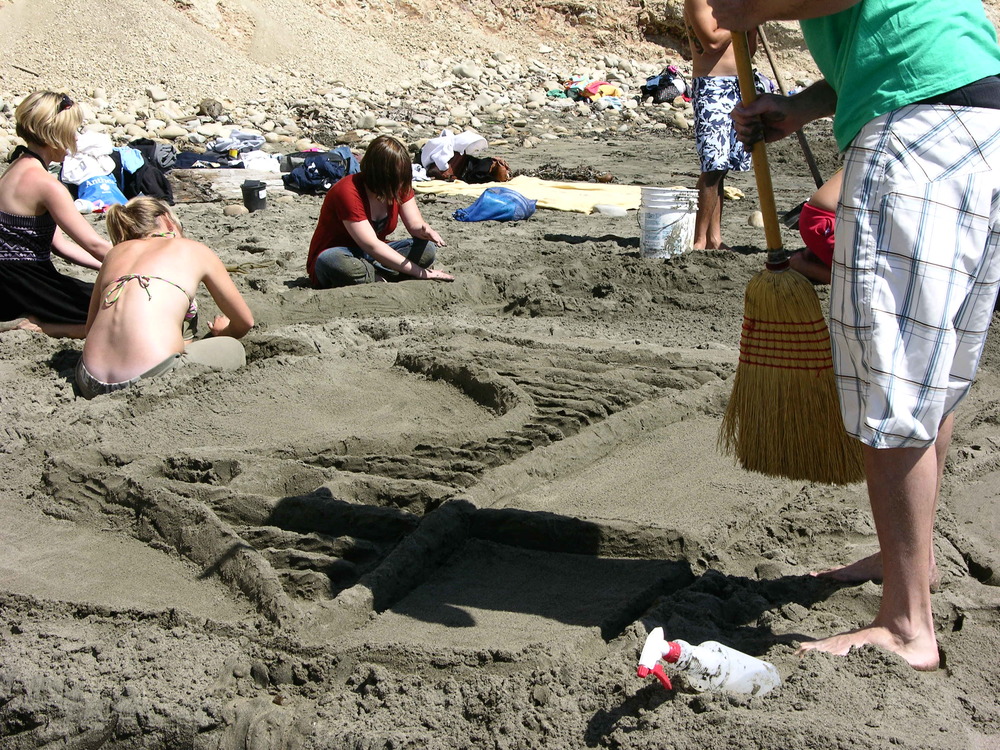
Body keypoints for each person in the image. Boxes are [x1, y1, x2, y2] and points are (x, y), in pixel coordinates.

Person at [713, 0, 1000, 670]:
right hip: (982, 121)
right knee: (932, 368)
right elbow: (894, 45)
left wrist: (751, 8)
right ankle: (910, 563)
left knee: (893, 373)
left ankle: (906, 624)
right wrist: (803, 108)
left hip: (922, 133)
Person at [77, 197, 254, 399]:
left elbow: (89, 329)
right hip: (151, 380)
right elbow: (245, 322)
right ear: (167, 220)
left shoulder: (114, 253)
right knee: (234, 348)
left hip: (89, 380)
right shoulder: (194, 249)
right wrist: (224, 332)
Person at [0, 91, 112, 337]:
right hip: (27, 281)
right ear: (55, 136)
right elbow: (93, 243)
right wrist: (137, 264)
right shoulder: (48, 185)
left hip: (8, 279)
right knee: (113, 316)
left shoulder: (14, 169)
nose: (75, 138)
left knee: (94, 294)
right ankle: (38, 327)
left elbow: (59, 246)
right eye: (72, 131)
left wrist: (107, 268)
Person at [307, 135, 454, 288]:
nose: (401, 187)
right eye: (396, 181)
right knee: (331, 260)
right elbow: (371, 245)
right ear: (380, 177)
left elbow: (414, 224)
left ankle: (375, 275)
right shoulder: (347, 191)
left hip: (374, 257)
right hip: (343, 254)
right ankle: (382, 275)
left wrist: (424, 230)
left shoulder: (400, 186)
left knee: (427, 249)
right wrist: (421, 273)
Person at [684, 0, 765, 250]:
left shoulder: (732, 4)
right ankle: (699, 239)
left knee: (724, 167)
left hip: (739, 83)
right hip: (712, 85)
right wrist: (742, 22)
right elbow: (711, 42)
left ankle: (714, 238)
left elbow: (747, 51)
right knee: (713, 164)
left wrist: (752, 23)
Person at [788, 168, 843, 285]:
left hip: (817, 218)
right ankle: (801, 265)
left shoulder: (859, 154)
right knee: (856, 280)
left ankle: (816, 254)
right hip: (823, 224)